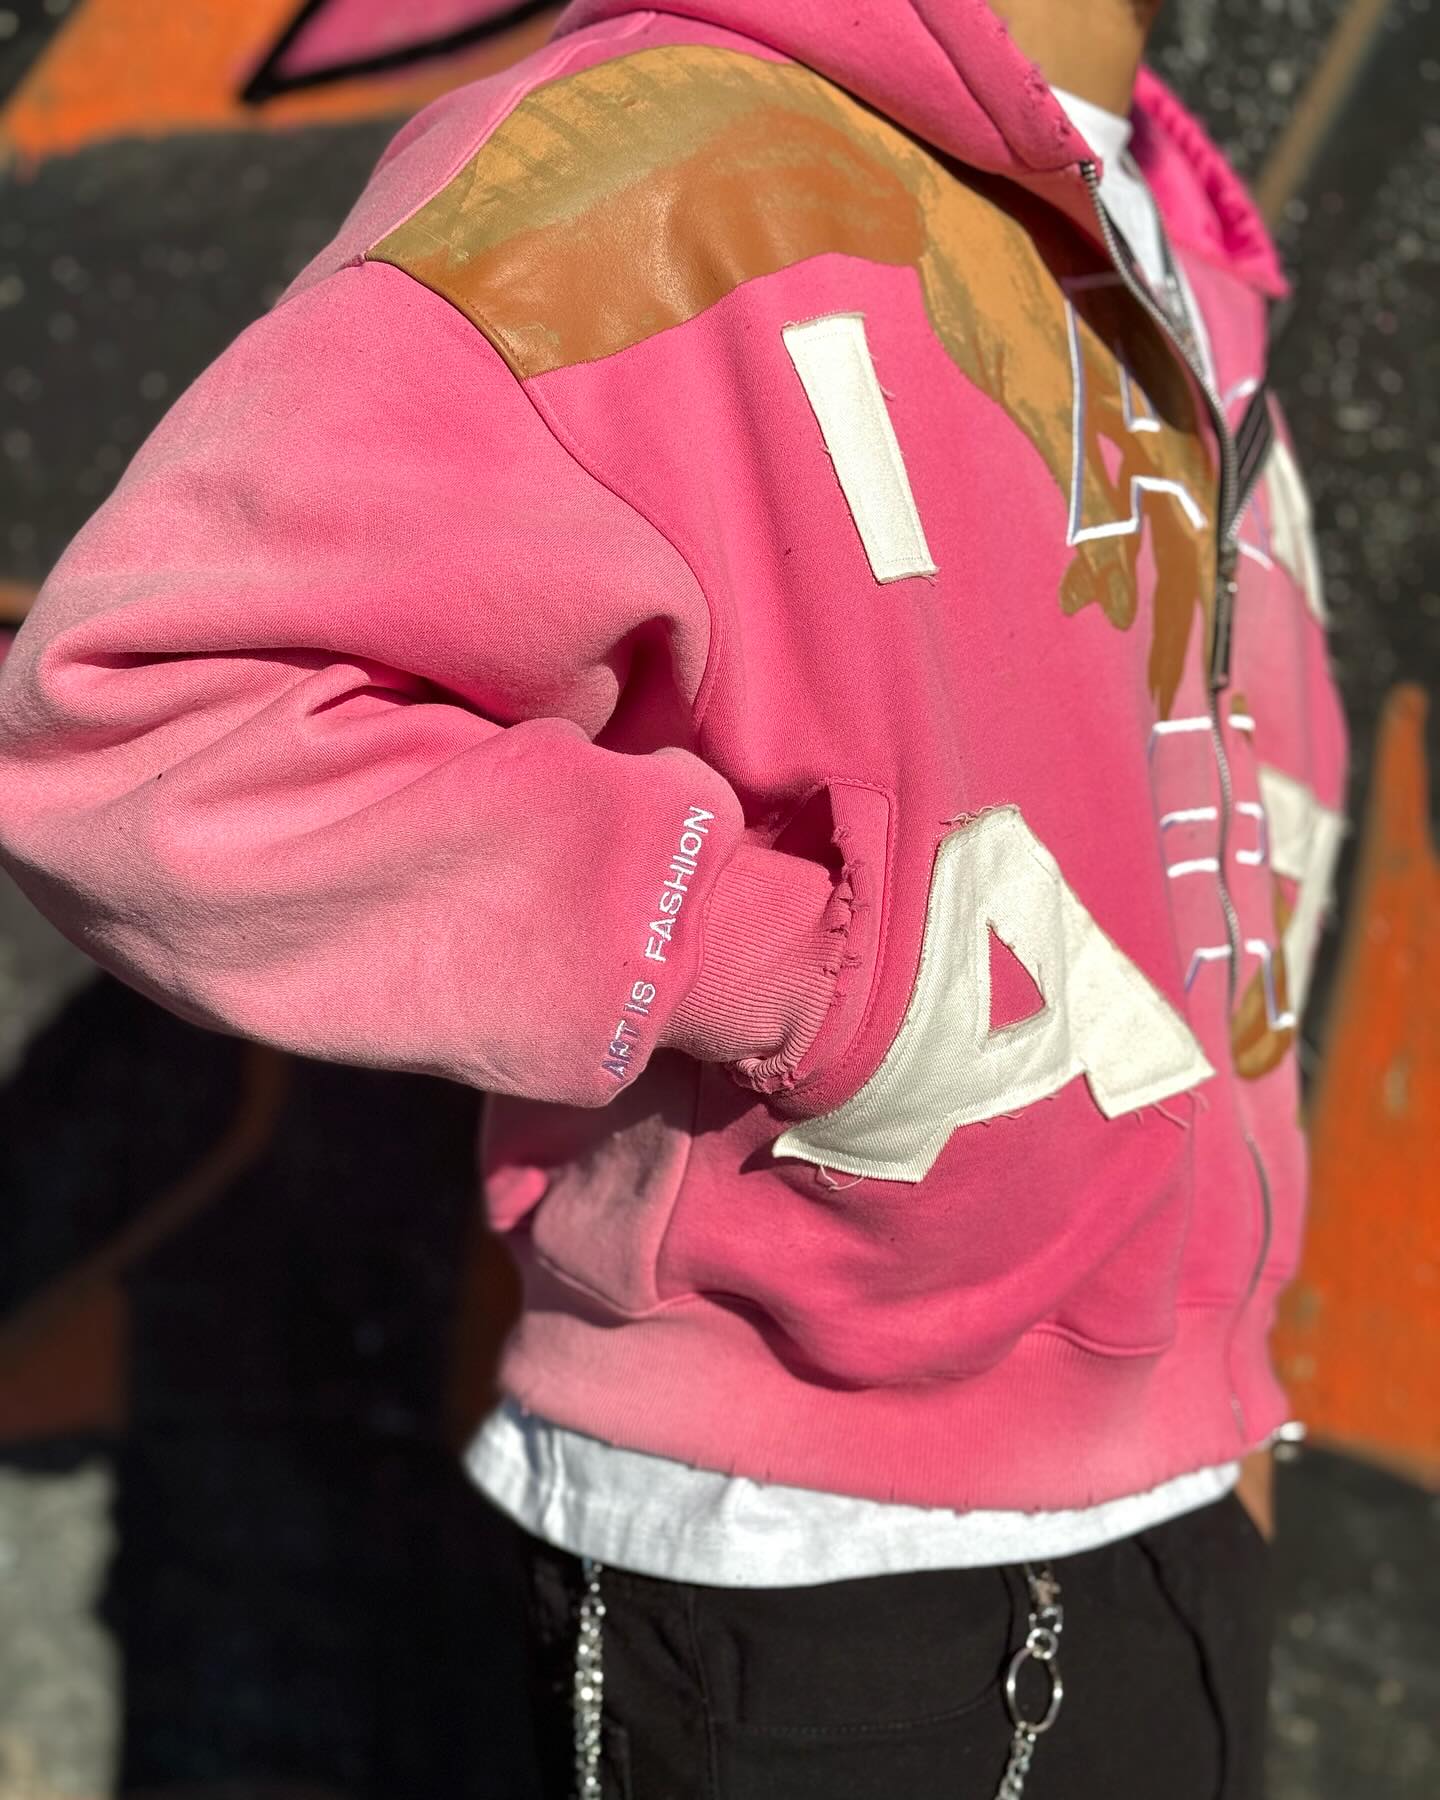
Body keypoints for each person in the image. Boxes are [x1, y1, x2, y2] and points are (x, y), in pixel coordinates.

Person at [0, 0, 1349, 1793]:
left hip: (1176, 1501)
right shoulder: (656, 160)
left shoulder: (1175, 233)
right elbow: (136, 729)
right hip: (813, 1574)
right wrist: (793, 965)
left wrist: (1215, 1393)